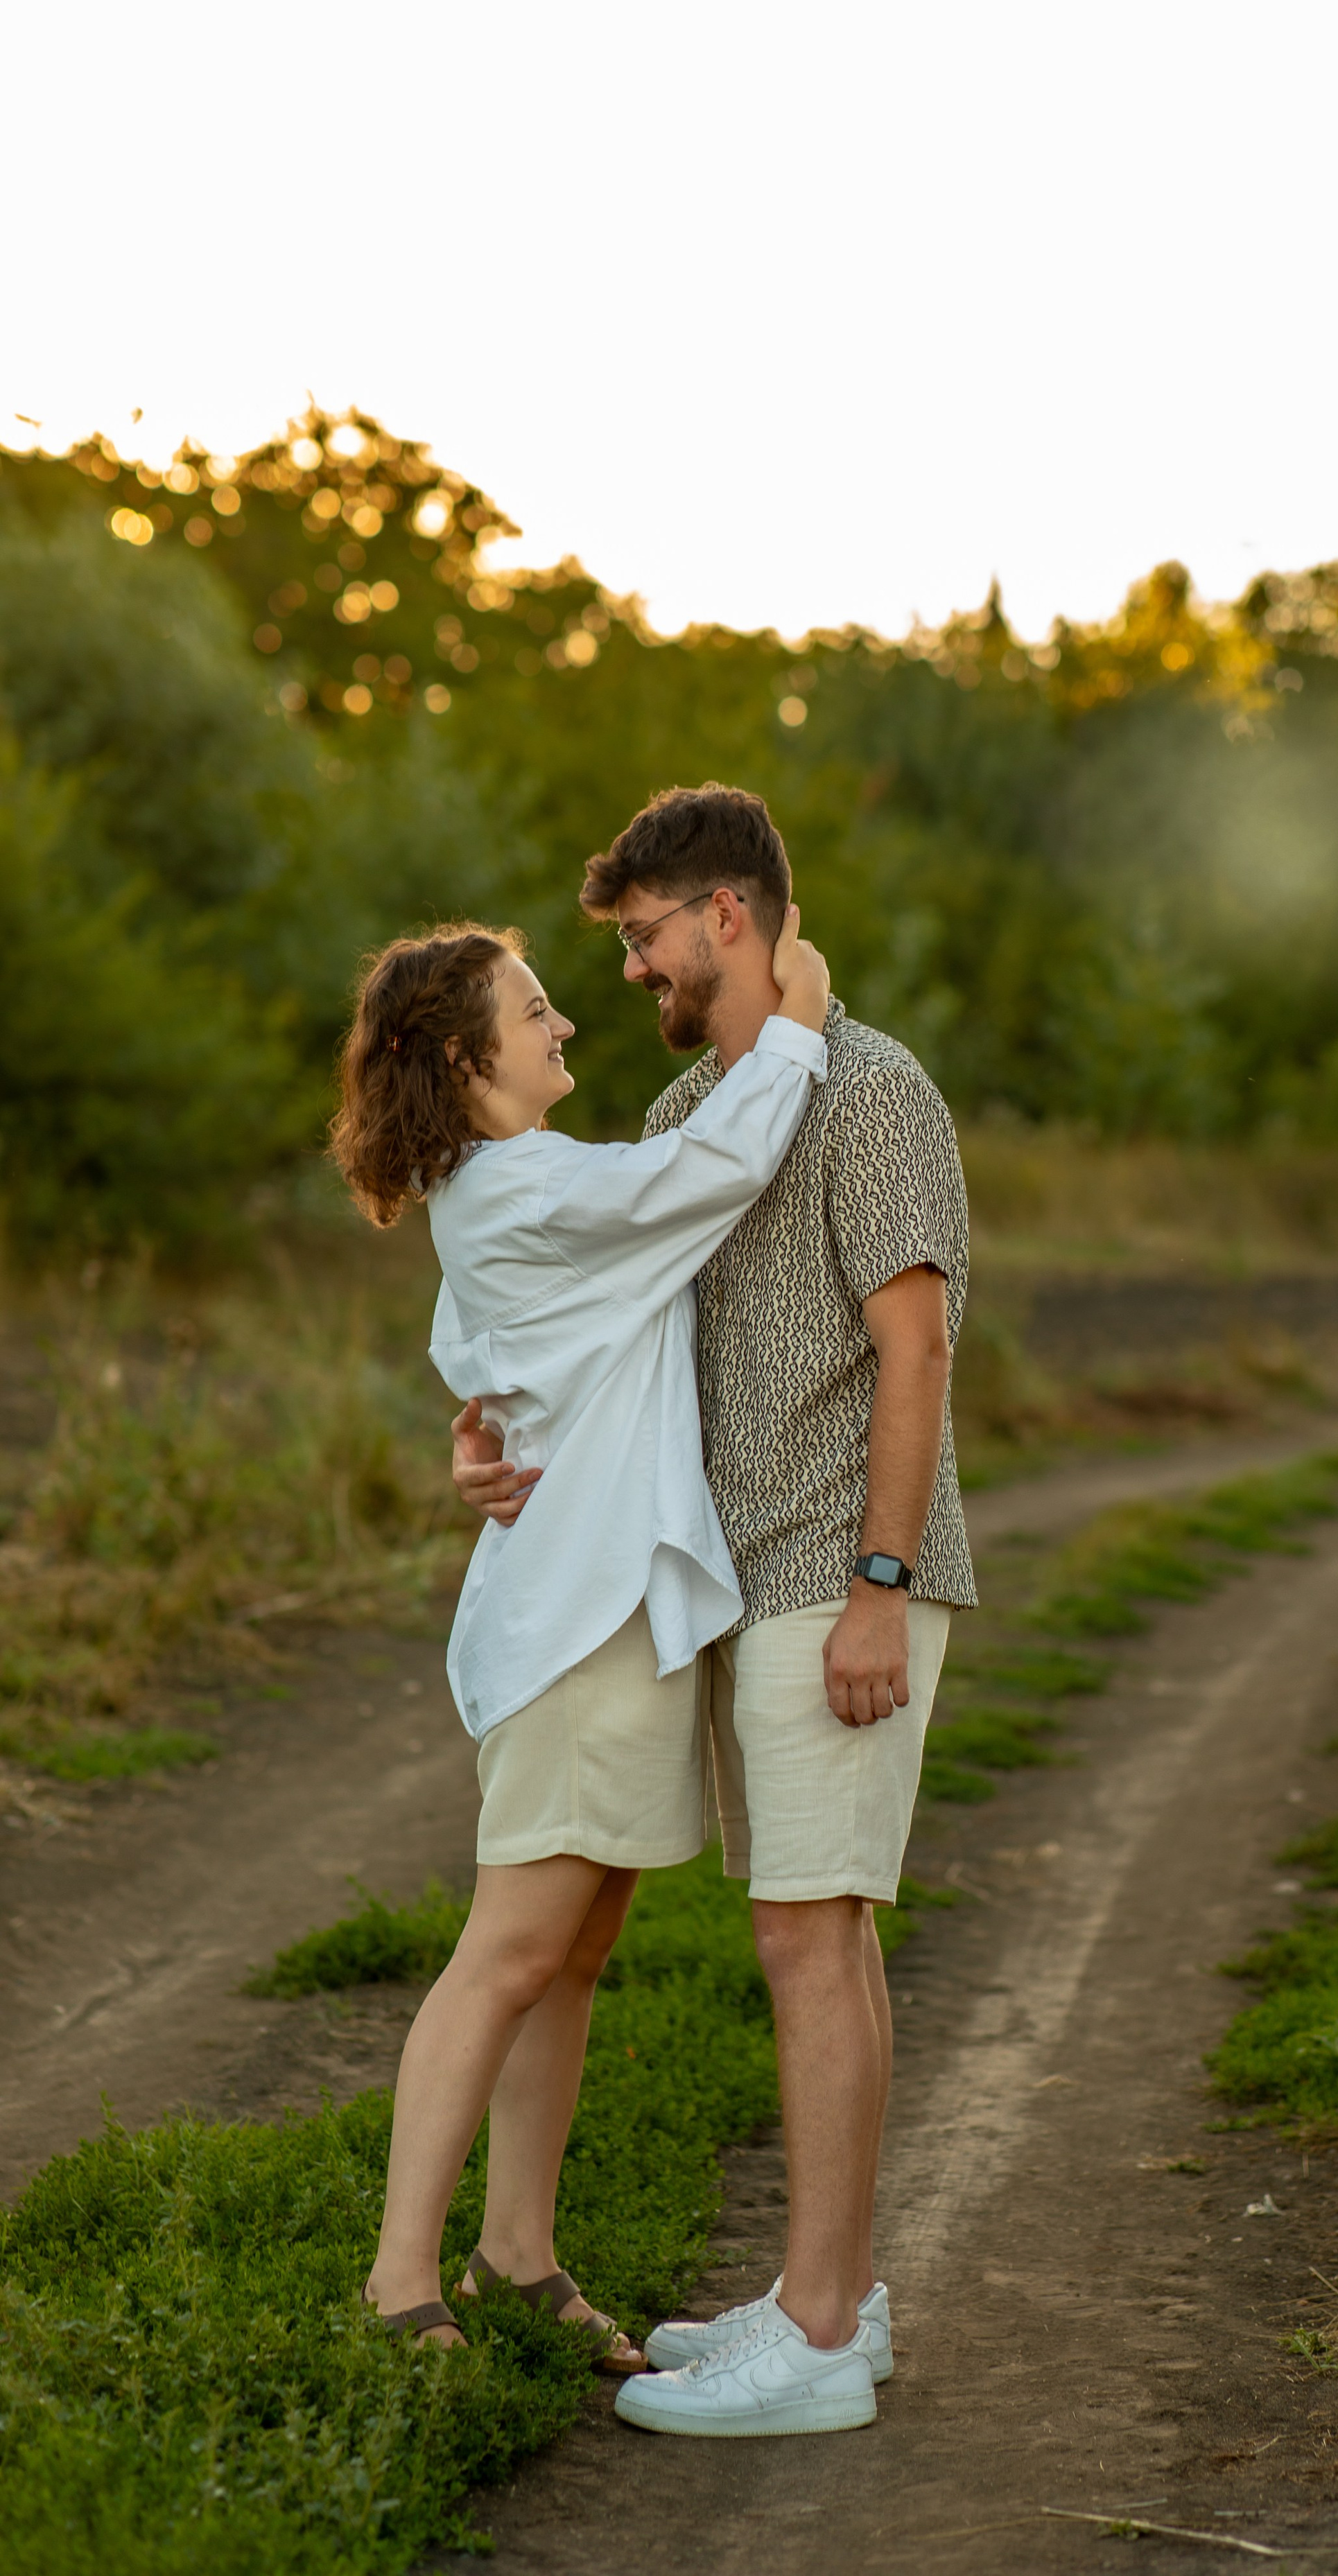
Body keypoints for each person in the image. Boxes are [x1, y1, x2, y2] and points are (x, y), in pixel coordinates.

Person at [453, 782, 975, 2437]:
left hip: (839, 1567)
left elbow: (916, 1348)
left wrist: (879, 1588)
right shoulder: (710, 1101)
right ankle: (832, 2299)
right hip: (753, 1583)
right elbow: (585, 1303)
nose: (624, 971)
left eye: (640, 937)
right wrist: (488, 1433)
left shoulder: (872, 1091)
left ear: (726, 920)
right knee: (823, 1925)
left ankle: (816, 2342)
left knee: (802, 1933)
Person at [328, 906, 834, 2374]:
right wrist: (793, 1018)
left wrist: (476, 1435)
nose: (564, 1026)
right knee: (512, 1949)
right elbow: (712, 1169)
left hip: (605, 1603)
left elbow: (502, 1365)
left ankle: (518, 2254)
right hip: (573, 1620)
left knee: (576, 1949)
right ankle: (399, 2286)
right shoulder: (524, 1184)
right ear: (460, 1052)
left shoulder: (510, 1187)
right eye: (535, 1008)